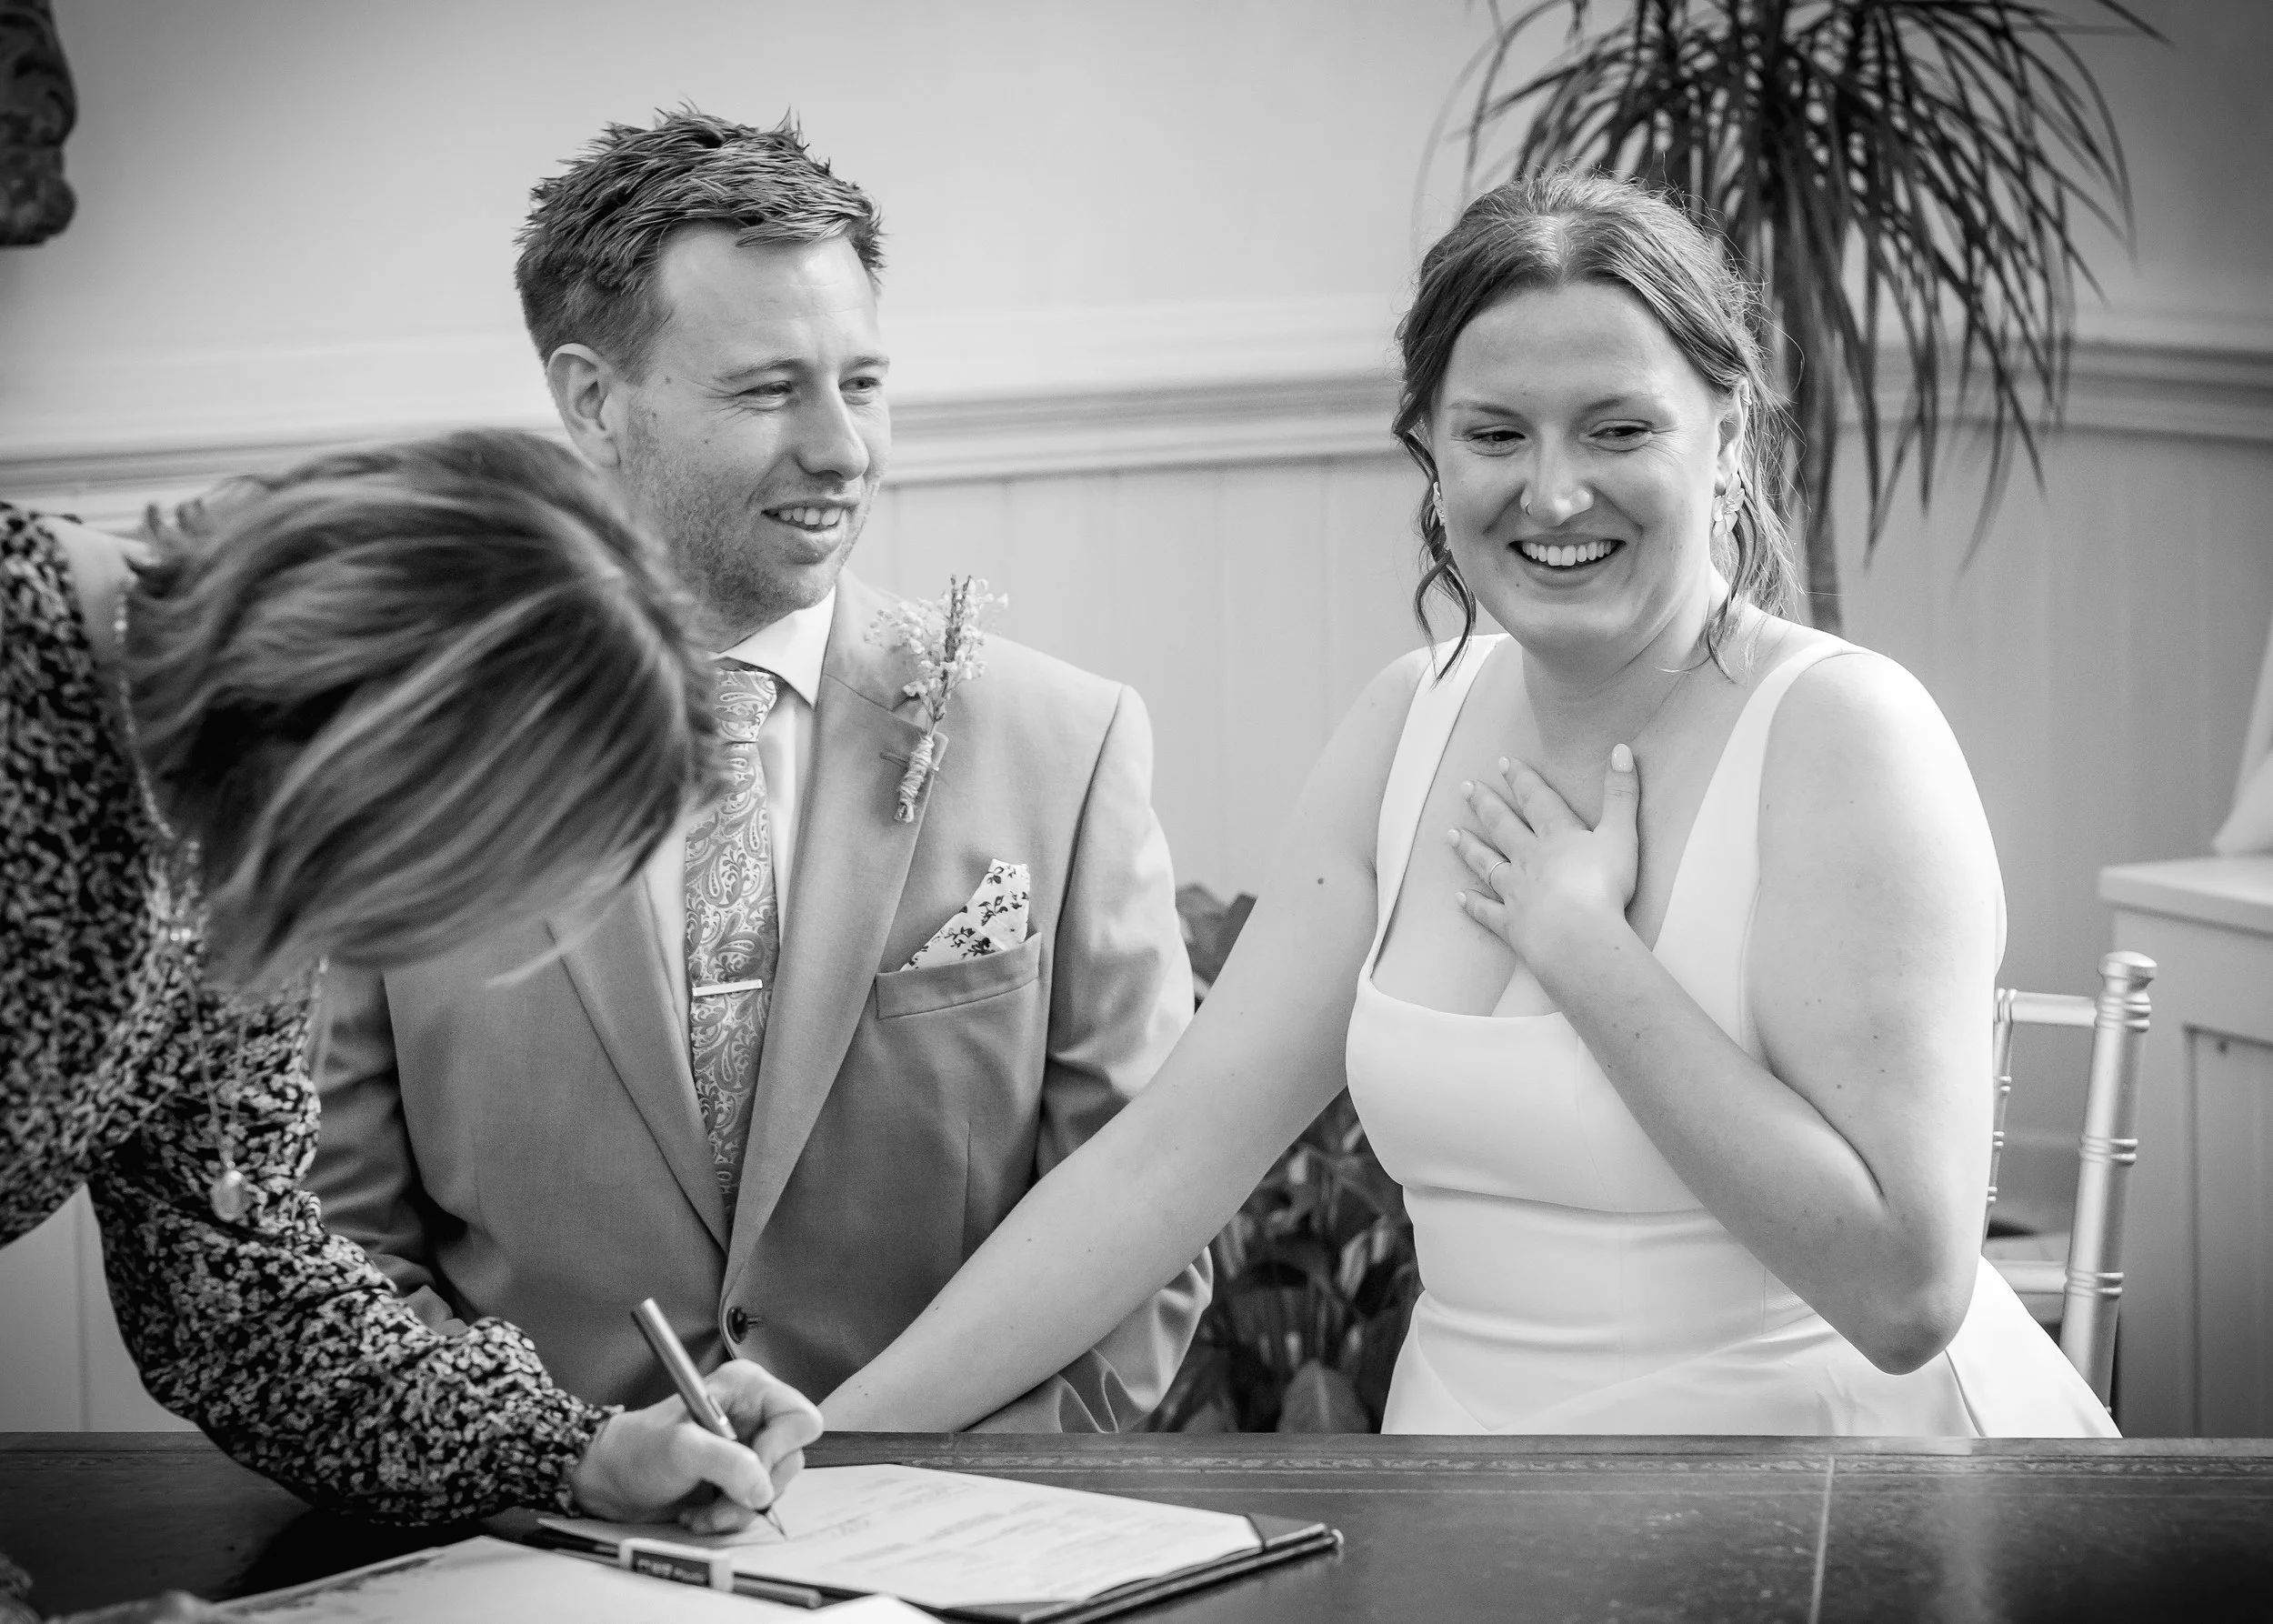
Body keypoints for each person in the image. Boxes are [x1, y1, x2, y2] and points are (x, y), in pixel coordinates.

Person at [822, 172, 2116, 1439]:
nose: (1553, 493)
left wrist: (1589, 954)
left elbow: (1905, 1289)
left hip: (1827, 1504)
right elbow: (1165, 1167)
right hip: (1469, 1514)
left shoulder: (1845, 736)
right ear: (1433, 454)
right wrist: (835, 1440)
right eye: (1497, 433)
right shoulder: (1407, 722)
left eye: (1618, 429)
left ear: (1726, 441)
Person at [309, 110, 1206, 1429]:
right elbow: (337, 1241)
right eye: (769, 387)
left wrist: (942, 1504)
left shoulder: (1067, 749)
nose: (843, 448)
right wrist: (545, 1470)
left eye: (864, 380)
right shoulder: (385, 764)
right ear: (593, 402)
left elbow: (1141, 1228)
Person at [0, 430, 825, 1624]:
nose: (379, 937)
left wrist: (582, 1451)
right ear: (363, 742)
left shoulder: (237, 824)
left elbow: (254, 1308)